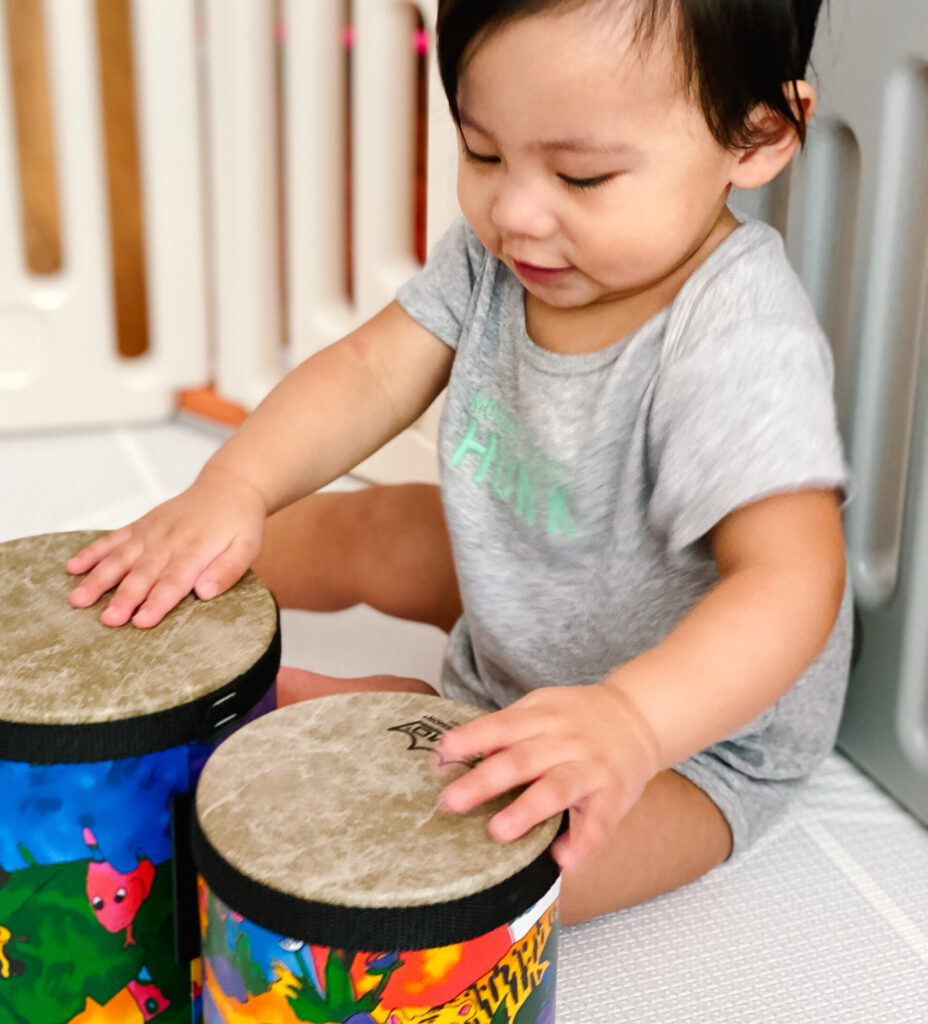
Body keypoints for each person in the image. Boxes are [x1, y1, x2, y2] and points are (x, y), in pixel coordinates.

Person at [67, 0, 850, 925]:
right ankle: (148, 586)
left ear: (759, 136)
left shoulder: (737, 334)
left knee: (499, 876)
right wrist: (232, 488)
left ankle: (403, 724)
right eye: (483, 152)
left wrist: (632, 724)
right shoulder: (501, 257)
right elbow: (367, 372)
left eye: (583, 175)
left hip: (691, 739)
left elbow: (793, 583)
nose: (513, 211)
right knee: (367, 524)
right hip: (523, 582)